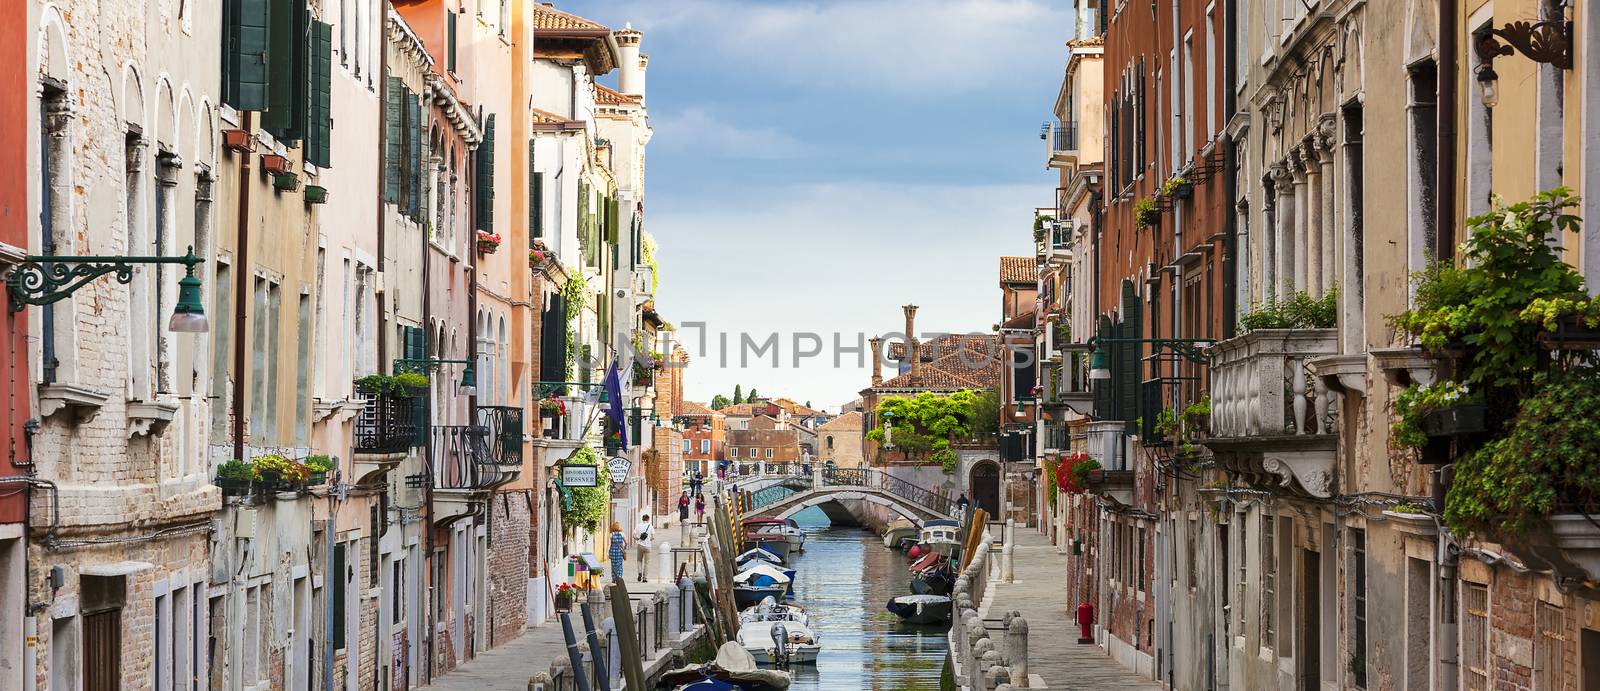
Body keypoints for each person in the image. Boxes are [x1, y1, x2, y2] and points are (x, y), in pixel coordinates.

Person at [634, 513, 654, 583]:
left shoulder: (638, 525)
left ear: (642, 519)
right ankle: (645, 578)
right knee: (647, 562)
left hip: (640, 545)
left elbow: (634, 535)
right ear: (648, 519)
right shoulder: (650, 526)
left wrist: (638, 538)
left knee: (639, 560)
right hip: (648, 546)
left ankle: (639, 573)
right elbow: (653, 537)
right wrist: (649, 539)